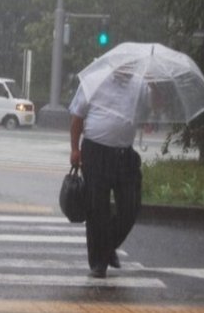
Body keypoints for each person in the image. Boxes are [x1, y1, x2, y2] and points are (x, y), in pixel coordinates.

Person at [69, 79, 143, 279]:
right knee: (97, 208)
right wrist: (75, 149)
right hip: (96, 151)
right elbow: (77, 117)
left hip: (124, 154)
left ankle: (108, 247)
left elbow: (157, 107)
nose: (127, 67)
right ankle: (98, 263)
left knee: (130, 205)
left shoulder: (139, 85)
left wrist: (154, 87)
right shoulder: (93, 81)